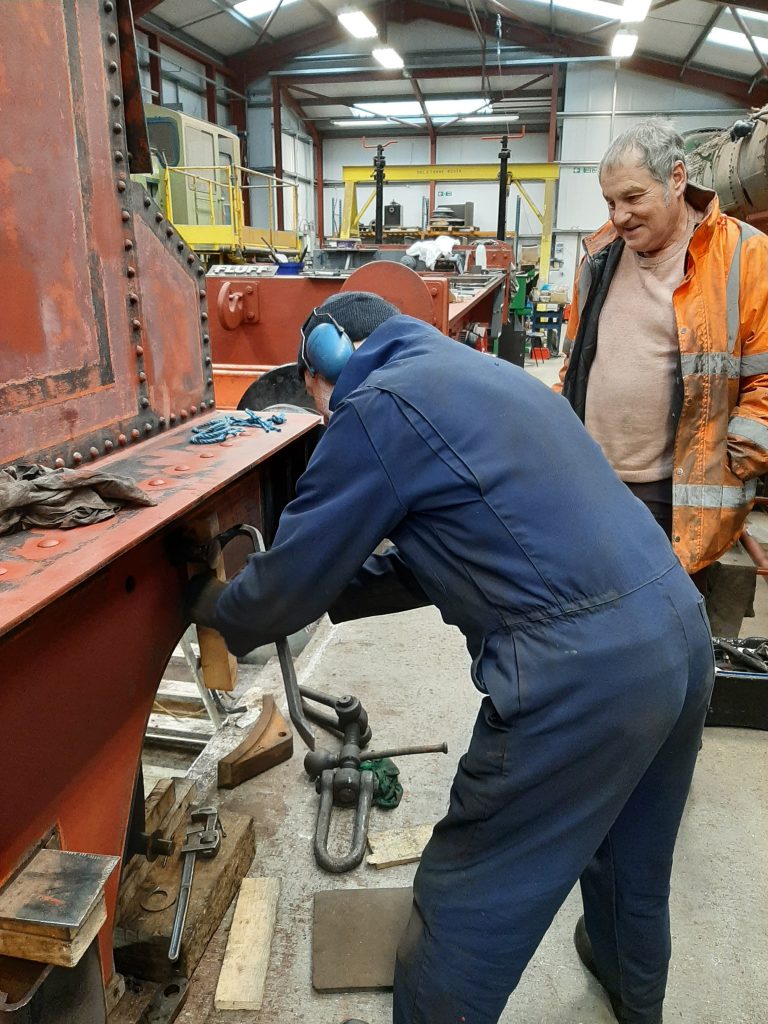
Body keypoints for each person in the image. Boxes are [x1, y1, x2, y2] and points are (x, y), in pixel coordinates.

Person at [186, 291, 713, 1024]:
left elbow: (280, 591)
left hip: (581, 672)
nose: (327, 417)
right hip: (677, 631)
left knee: (471, 895)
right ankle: (631, 985)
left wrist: (214, 606)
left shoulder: (374, 402)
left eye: (316, 396)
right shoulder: (477, 373)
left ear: (332, 353)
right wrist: (337, 586)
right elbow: (439, 552)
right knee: (633, 847)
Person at [560, 118, 768, 600]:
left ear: (677, 179)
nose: (619, 216)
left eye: (633, 198)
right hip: (593, 481)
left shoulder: (743, 255)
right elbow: (573, 367)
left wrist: (735, 461)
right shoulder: (600, 256)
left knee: (663, 623)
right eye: (610, 202)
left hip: (675, 494)